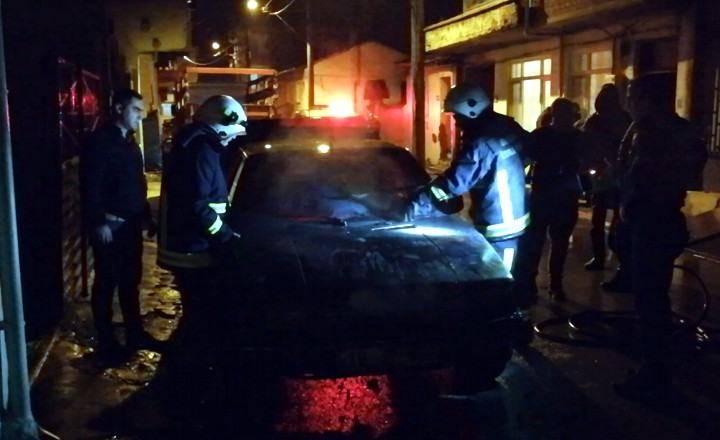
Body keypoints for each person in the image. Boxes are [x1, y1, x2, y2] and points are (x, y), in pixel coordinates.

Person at [612, 73, 703, 399]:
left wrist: (626, 198)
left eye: (633, 97)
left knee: (649, 300)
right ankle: (659, 366)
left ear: (648, 100)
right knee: (656, 296)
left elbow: (641, 179)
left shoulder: (649, 134)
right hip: (667, 219)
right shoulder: (682, 129)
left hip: (651, 223)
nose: (628, 104)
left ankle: (654, 375)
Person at [407, 83, 532, 303]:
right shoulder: (506, 127)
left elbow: (453, 183)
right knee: (514, 280)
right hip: (516, 218)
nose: (456, 121)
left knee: (500, 286)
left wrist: (413, 207)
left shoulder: (482, 143)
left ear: (471, 109)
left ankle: (510, 320)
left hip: (500, 227)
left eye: (457, 115)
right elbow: (528, 153)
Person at [157, 95, 247, 345]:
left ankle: (185, 354)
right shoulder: (202, 151)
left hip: (190, 242)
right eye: (232, 134)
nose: (232, 140)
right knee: (198, 314)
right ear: (221, 124)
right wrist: (225, 235)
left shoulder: (194, 143)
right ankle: (188, 360)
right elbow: (198, 205)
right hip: (194, 247)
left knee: (194, 311)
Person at [80, 89, 156, 357]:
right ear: (119, 109)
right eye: (136, 109)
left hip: (131, 225)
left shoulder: (129, 142)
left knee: (130, 282)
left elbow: (137, 182)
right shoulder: (100, 142)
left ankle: (135, 334)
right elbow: (90, 186)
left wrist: (146, 216)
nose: (140, 115)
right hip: (111, 227)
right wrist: (98, 222)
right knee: (107, 282)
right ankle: (106, 340)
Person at [525, 98, 587, 302]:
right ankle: (551, 284)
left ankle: (538, 282)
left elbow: (526, 158)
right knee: (552, 242)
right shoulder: (575, 137)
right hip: (557, 194)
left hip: (549, 193)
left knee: (543, 241)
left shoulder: (542, 135)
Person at [580, 84, 633, 271]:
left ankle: (607, 254)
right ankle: (604, 254)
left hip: (613, 173)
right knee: (605, 217)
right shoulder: (598, 121)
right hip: (605, 174)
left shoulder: (619, 119)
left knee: (608, 217)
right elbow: (587, 145)